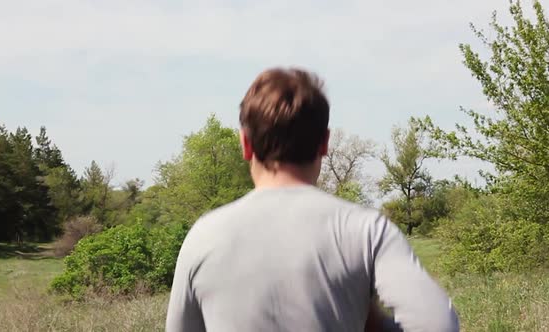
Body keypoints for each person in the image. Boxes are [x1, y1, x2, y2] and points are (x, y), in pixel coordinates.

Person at [166, 68, 459, 332]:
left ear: (245, 144)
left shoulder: (203, 236)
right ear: (324, 142)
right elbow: (437, 323)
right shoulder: (365, 230)